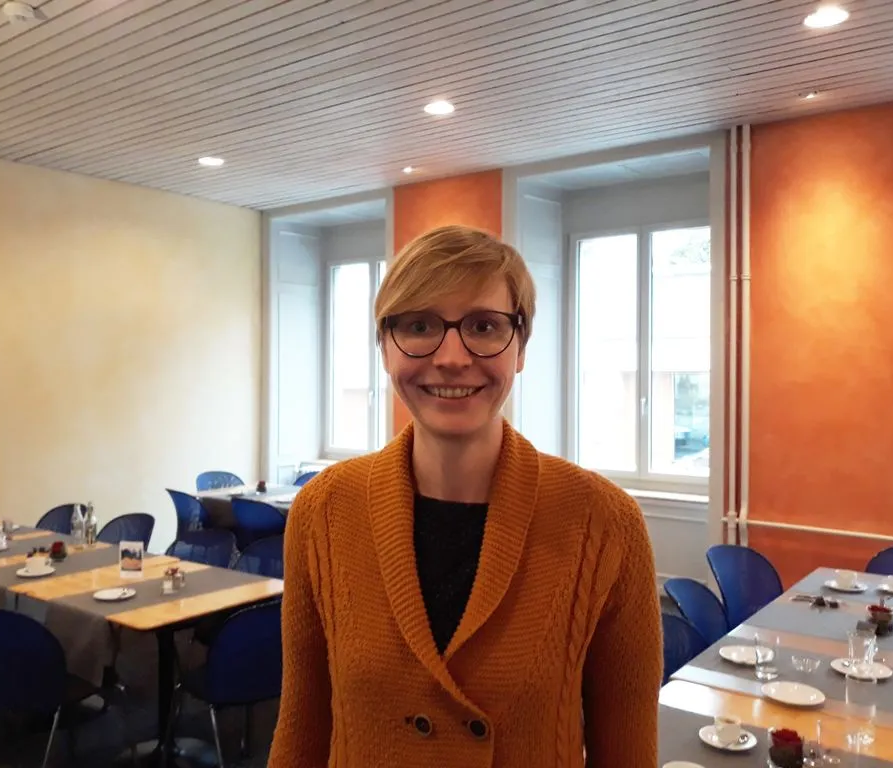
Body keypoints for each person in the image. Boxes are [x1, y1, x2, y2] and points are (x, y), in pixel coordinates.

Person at [269, 225, 662, 767]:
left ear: (520, 346)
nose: (452, 356)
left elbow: (628, 754)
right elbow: (301, 731)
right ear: (385, 347)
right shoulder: (324, 512)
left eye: (483, 325)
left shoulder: (604, 523)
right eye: (420, 325)